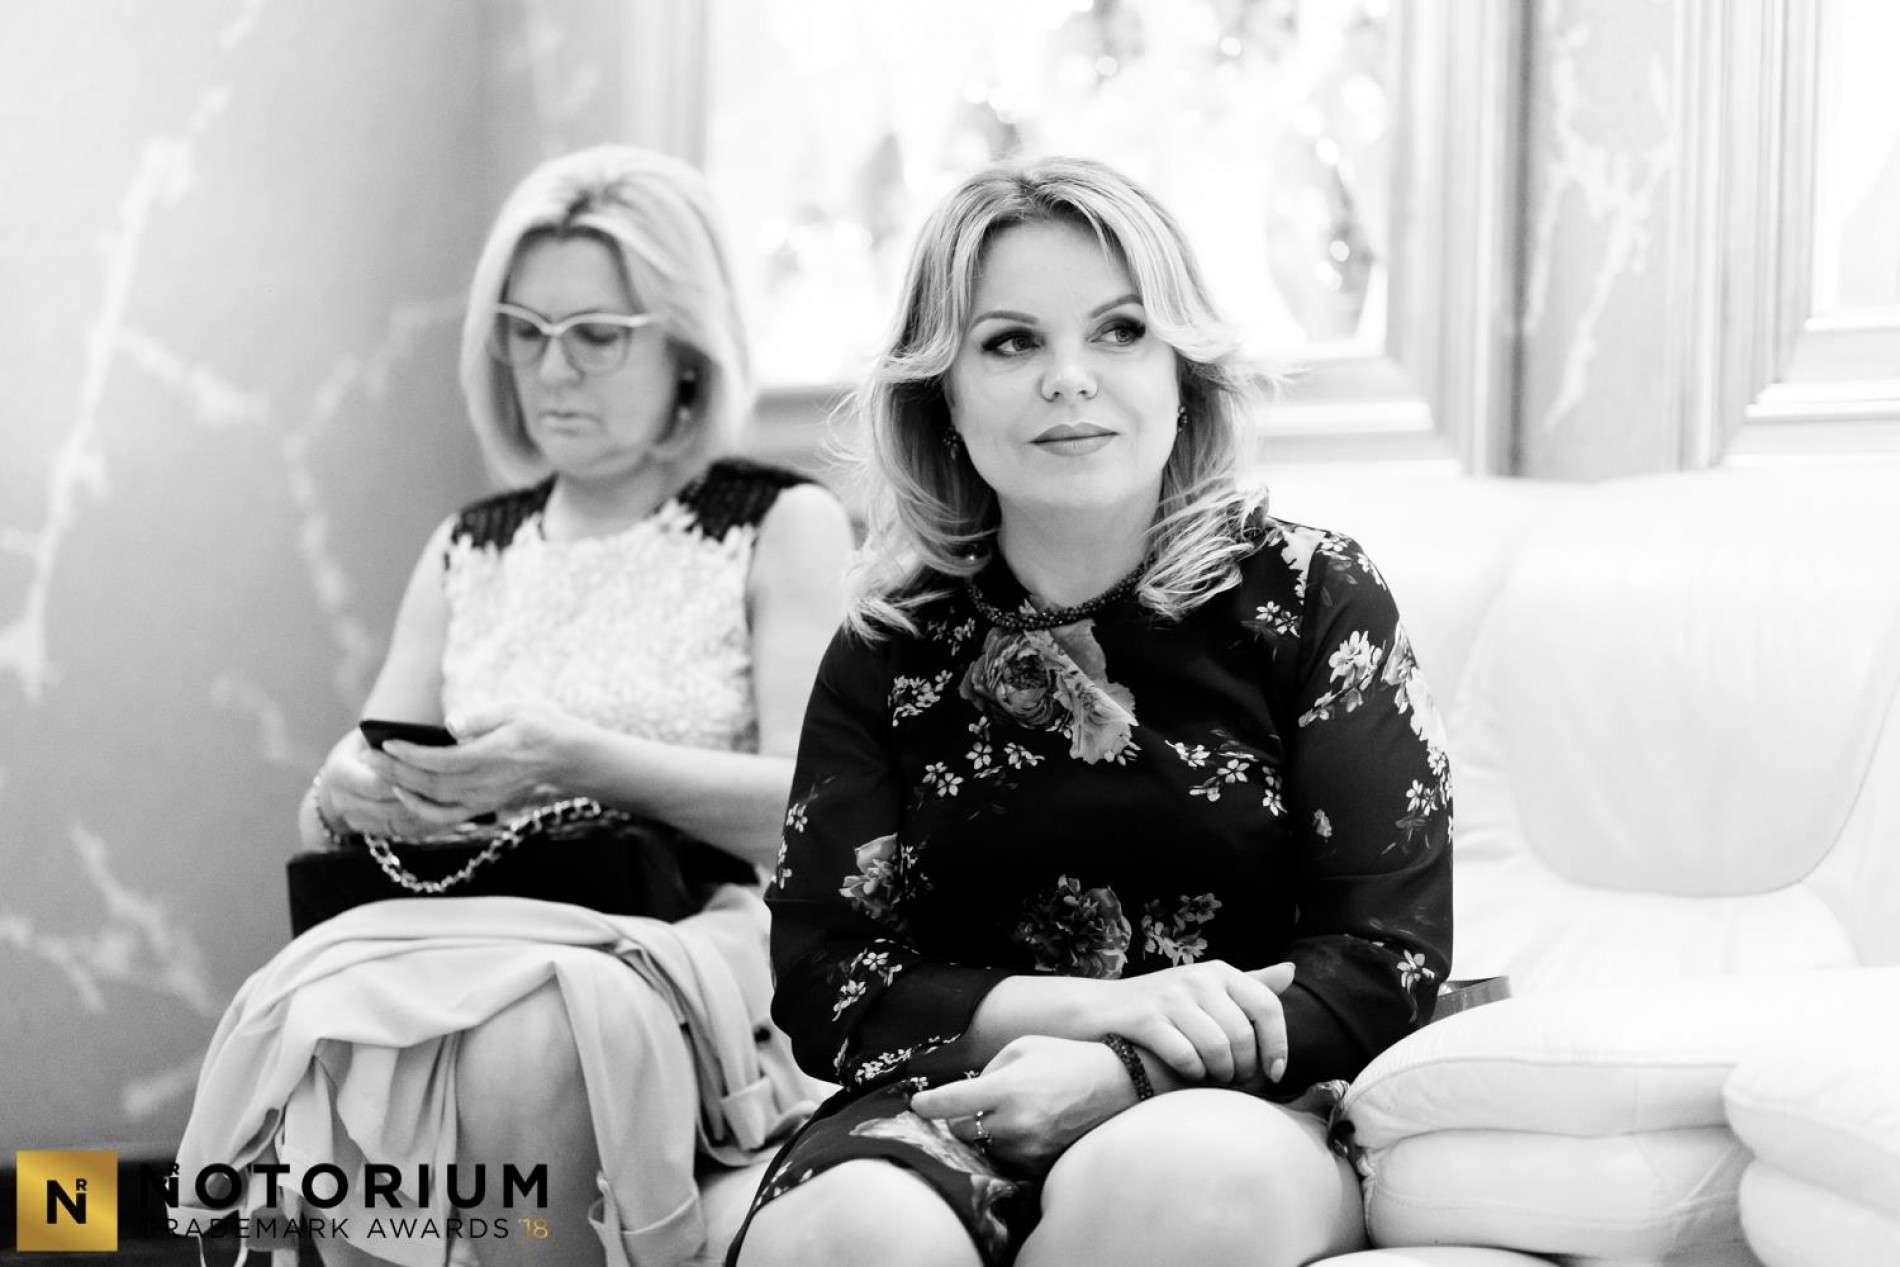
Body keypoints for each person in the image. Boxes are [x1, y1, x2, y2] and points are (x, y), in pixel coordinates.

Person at [728, 156, 1452, 1267]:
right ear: (943, 396)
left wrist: (1127, 1068)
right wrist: (1091, 1012)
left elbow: (1384, 955)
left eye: (1119, 331)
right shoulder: (885, 650)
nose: (1069, 379)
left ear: (1181, 371)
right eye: (1010, 342)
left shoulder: (1314, 596)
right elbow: (828, 981)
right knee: (854, 1235)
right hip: (956, 1095)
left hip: (1243, 1105)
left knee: (1175, 1184)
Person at [173, 145, 854, 1267]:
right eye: (524, 332)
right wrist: (346, 789)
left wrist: (578, 759)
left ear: (687, 346)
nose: (552, 369)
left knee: (532, 1036)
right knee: (336, 1014)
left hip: (683, 923)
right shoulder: (469, 546)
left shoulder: (780, 524)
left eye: (596, 334)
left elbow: (817, 813)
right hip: (463, 922)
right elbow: (335, 806)